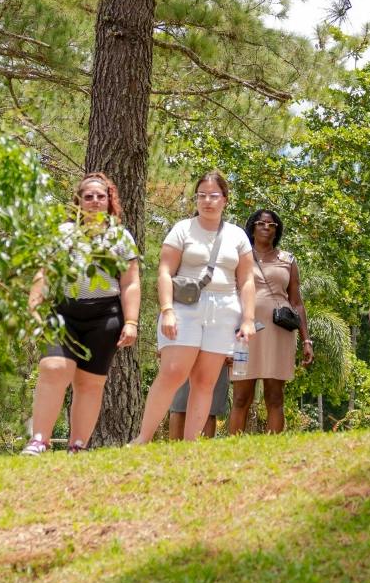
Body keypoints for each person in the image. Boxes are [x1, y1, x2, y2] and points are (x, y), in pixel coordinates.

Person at [21, 173, 140, 455]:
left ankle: (78, 445)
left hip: (105, 317)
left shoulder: (120, 236)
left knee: (90, 382)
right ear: (78, 201)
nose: (95, 201)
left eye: (101, 196)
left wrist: (132, 322)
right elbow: (44, 273)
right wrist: (33, 307)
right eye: (89, 197)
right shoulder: (63, 233)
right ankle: (39, 440)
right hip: (64, 313)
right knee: (53, 368)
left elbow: (131, 282)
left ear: (110, 201)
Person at [136, 170, 258, 443]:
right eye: (201, 195)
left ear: (225, 199)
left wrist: (248, 319)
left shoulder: (237, 235)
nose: (207, 201)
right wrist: (167, 309)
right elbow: (165, 270)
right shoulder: (182, 229)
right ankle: (142, 439)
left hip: (224, 309)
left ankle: (190, 444)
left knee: (205, 381)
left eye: (214, 196)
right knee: (172, 372)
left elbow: (247, 280)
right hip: (185, 307)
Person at [230, 209, 311, 434]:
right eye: (261, 223)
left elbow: (297, 302)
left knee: (275, 396)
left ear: (277, 231)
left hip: (278, 332)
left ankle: (274, 445)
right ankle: (232, 445)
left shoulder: (288, 260)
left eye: (272, 224)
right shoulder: (240, 257)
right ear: (252, 228)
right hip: (244, 333)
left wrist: (307, 340)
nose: (267, 227)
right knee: (240, 397)